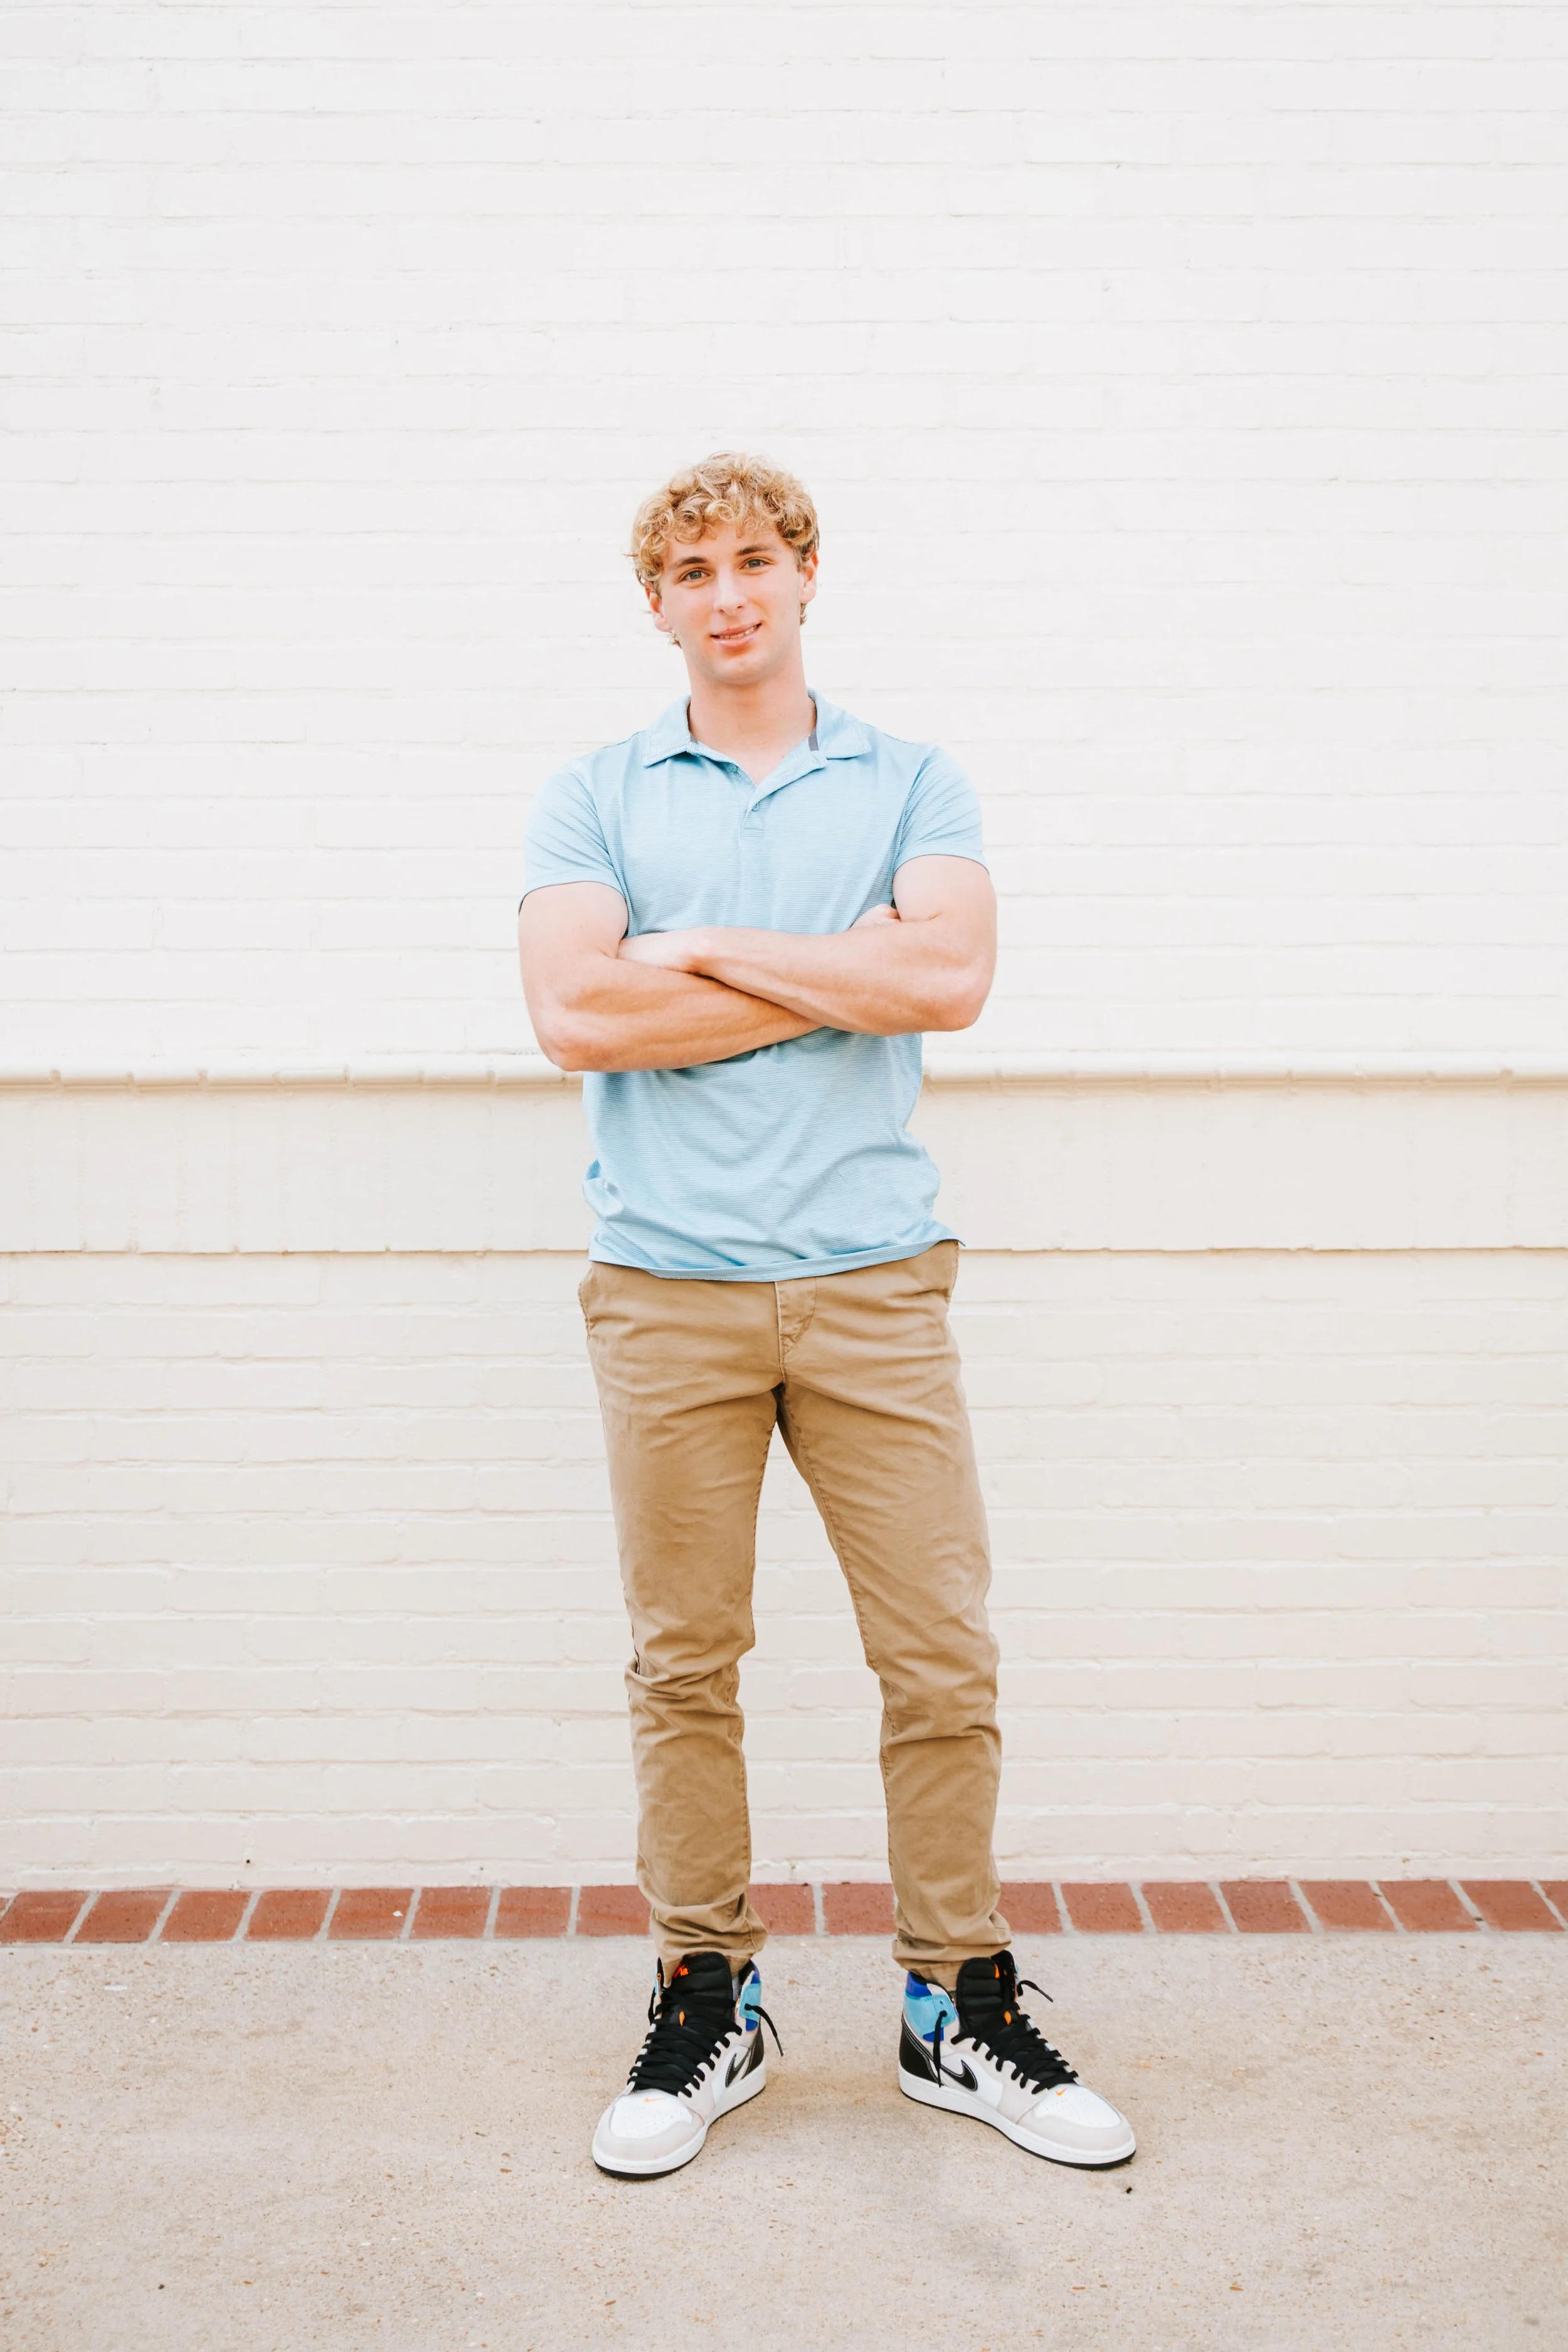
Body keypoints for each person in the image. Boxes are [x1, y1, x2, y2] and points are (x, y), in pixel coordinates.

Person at [517, 453, 1134, 2178]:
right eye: (691, 568)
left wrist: (697, 947)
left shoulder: (912, 778)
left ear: (804, 576)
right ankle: (707, 1992)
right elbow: (574, 1012)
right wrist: (816, 963)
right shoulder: (593, 794)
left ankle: (954, 2005)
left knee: (940, 1660)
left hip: (873, 1286)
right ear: (657, 600)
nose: (727, 591)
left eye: (755, 559)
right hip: (666, 1290)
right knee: (682, 1663)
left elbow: (944, 978)